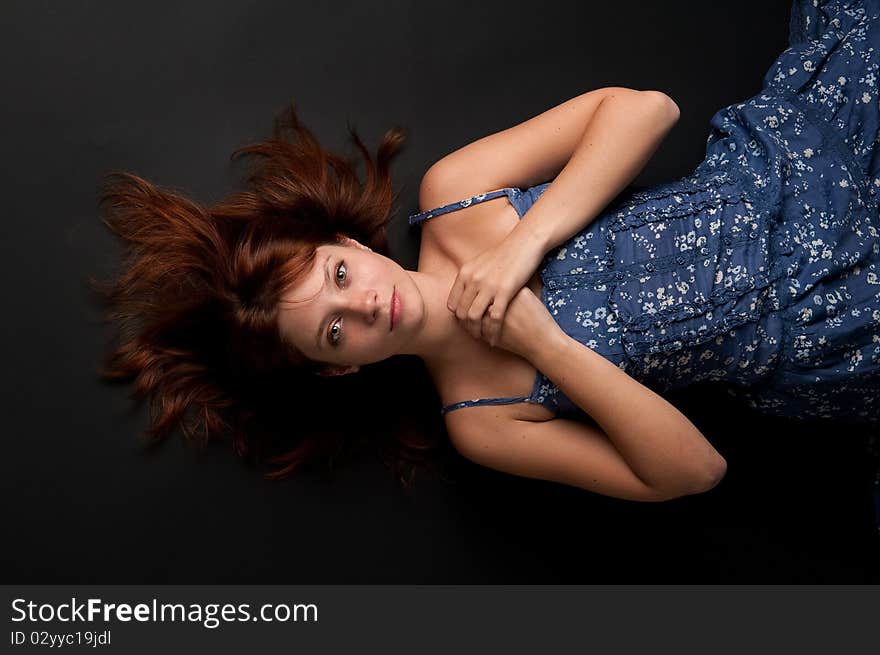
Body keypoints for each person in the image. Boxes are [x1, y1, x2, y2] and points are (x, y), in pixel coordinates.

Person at [96, 0, 879, 503]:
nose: (365, 302)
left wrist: (523, 246)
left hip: (799, 162)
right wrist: (545, 345)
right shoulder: (484, 421)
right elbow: (692, 472)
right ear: (340, 367)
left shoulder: (455, 195)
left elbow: (646, 110)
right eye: (335, 330)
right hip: (828, 321)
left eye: (339, 274)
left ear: (346, 242)